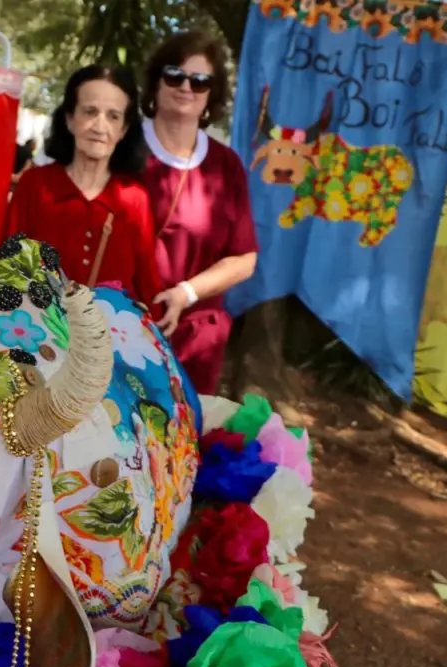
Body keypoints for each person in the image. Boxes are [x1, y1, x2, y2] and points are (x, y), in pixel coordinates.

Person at [141, 31, 259, 395]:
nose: (186, 87)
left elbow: (244, 259)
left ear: (212, 95)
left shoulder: (226, 166)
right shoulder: (121, 148)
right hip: (115, 328)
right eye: (174, 74)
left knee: (179, 445)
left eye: (200, 80)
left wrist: (186, 293)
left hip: (194, 342)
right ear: (156, 82)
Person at [5, 64, 165, 314]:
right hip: (36, 339)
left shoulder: (135, 199)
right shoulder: (36, 185)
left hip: (110, 346)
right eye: (90, 112)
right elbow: (8, 270)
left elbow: (148, 288)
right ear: (70, 119)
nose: (100, 127)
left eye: (113, 116)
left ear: (123, 129)